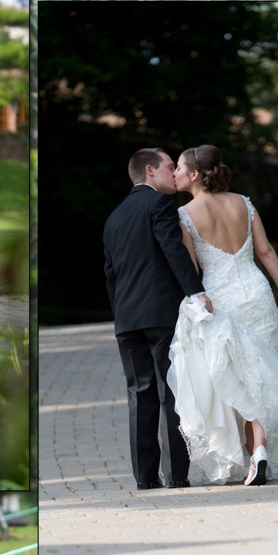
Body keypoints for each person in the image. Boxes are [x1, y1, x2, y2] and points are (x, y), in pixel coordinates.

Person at [166, 145, 278, 486]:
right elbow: (266, 251)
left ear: (195, 174)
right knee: (261, 373)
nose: (175, 174)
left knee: (237, 377)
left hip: (220, 300)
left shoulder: (184, 215)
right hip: (256, 294)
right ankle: (258, 451)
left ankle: (255, 454)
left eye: (179, 168)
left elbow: (192, 269)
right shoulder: (244, 202)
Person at [103, 147, 213, 490]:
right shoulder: (161, 205)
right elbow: (173, 249)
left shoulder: (114, 217)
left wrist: (120, 314)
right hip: (161, 315)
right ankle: (176, 475)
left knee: (140, 396)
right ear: (150, 171)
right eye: (169, 167)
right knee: (170, 394)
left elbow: (111, 274)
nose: (173, 173)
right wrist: (196, 293)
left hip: (127, 320)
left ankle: (145, 478)